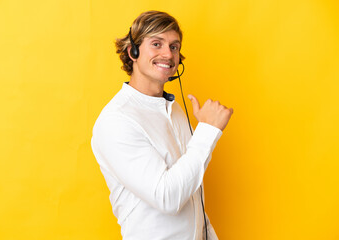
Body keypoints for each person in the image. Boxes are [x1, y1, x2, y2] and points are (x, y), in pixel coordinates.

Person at [91, 10, 233, 240]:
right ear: (133, 52)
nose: (168, 54)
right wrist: (207, 131)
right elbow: (167, 197)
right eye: (156, 44)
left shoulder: (176, 111)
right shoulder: (116, 120)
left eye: (174, 46)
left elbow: (192, 196)